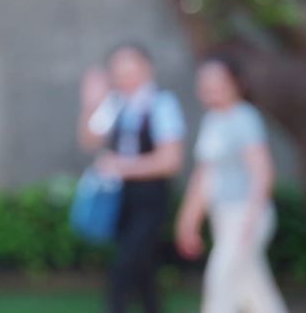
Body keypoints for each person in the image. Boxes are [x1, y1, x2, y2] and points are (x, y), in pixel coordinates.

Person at [79, 41, 187, 313]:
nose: (124, 77)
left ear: (146, 69)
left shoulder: (162, 104)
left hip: (150, 198)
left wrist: (122, 166)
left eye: (130, 69)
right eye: (118, 71)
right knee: (142, 272)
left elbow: (170, 160)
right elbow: (89, 140)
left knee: (123, 268)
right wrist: (91, 104)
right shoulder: (115, 104)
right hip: (120, 198)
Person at [175, 55, 288, 313]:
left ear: (237, 83)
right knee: (254, 289)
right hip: (222, 216)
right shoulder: (212, 121)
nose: (210, 88)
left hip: (245, 214)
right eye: (205, 82)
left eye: (217, 81)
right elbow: (204, 176)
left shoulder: (245, 118)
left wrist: (251, 216)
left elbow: (263, 171)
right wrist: (189, 220)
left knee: (221, 280)